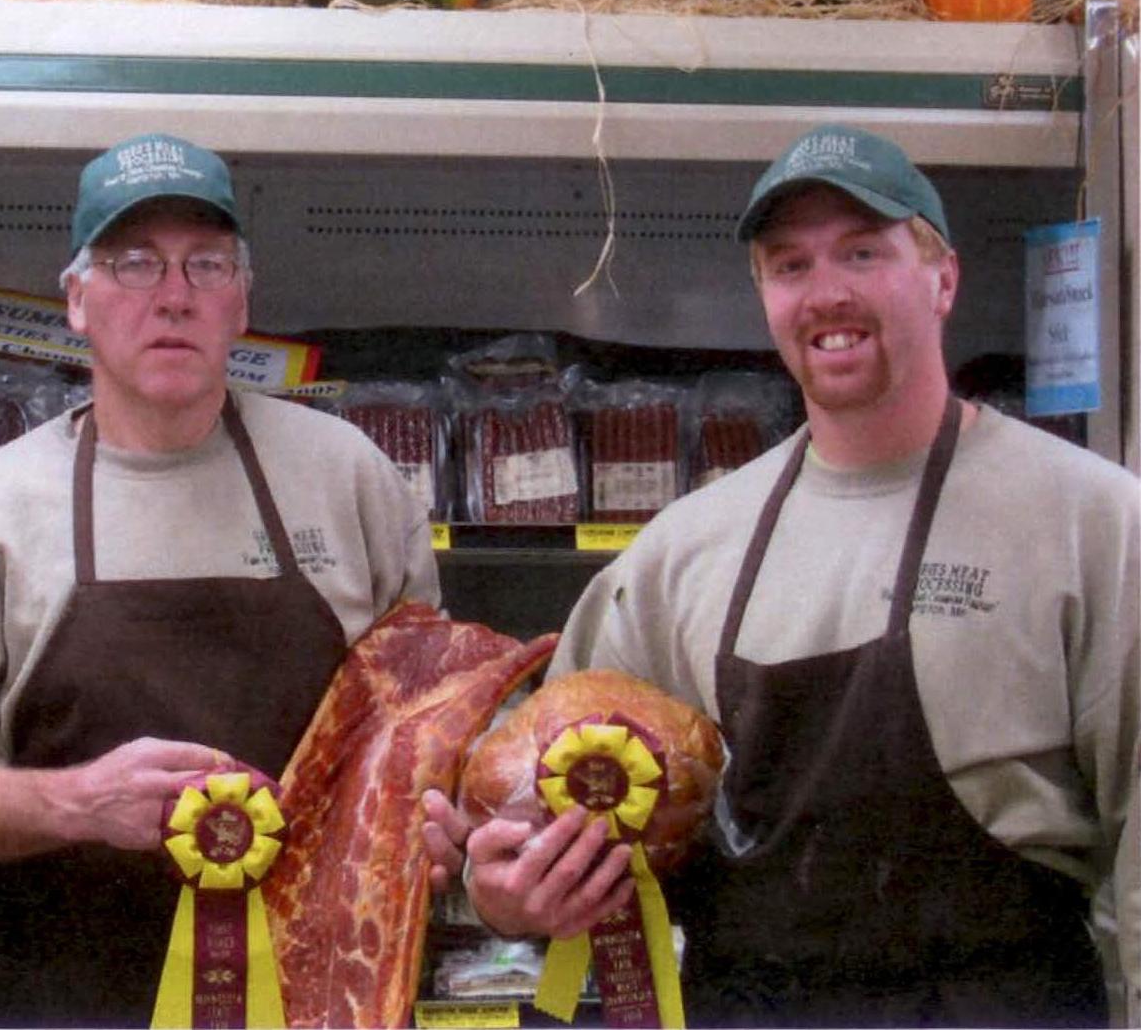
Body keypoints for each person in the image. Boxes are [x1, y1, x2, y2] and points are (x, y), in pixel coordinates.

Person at [424, 124, 1138, 1026]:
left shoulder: (1092, 521)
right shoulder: (684, 550)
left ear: (943, 277)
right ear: (764, 294)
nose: (827, 291)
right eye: (791, 264)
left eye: (864, 252)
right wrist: (508, 894)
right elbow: (535, 814)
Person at [0, 132, 441, 1026]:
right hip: (68, 1001)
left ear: (242, 298)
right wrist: (76, 802)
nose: (174, 295)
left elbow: (426, 732)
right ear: (76, 299)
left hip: (326, 1000)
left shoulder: (349, 478)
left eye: (205, 264)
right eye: (134, 263)